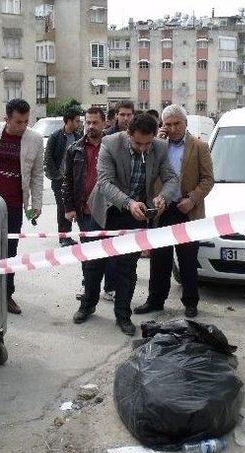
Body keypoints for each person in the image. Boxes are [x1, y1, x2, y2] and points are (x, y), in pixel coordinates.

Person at [71, 113, 179, 335]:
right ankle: (87, 305)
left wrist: (163, 198)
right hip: (104, 212)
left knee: (127, 268)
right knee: (94, 264)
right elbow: (105, 182)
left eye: (147, 143)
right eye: (138, 143)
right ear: (129, 134)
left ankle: (123, 315)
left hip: (135, 215)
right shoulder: (110, 143)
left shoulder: (159, 147)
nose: (143, 148)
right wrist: (128, 202)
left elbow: (171, 179)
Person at [134, 105, 214, 318]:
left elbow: (208, 179)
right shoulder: (157, 146)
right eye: (167, 124)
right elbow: (146, 173)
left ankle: (190, 302)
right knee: (159, 259)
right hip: (162, 210)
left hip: (187, 210)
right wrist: (156, 144)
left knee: (187, 260)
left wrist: (192, 199)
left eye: (176, 123)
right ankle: (155, 300)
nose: (172, 128)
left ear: (185, 123)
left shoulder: (199, 147)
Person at [0, 99, 43, 315]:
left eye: (26, 121)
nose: (23, 126)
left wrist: (36, 203)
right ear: (7, 119)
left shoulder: (35, 139)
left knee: (9, 250)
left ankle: (7, 294)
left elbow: (37, 174)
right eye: (18, 122)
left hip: (12, 203)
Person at [63, 107, 117, 303]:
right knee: (88, 252)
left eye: (95, 122)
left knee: (110, 251)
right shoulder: (75, 149)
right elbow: (67, 180)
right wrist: (68, 207)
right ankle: (89, 288)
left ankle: (111, 288)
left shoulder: (112, 146)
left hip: (110, 209)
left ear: (104, 123)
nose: (91, 126)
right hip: (84, 210)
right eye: (88, 122)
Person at [44, 107, 82, 247]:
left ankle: (69, 235)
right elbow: (48, 158)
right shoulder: (55, 136)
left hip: (74, 180)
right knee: (62, 207)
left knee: (73, 207)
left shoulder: (78, 137)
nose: (79, 123)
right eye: (77, 121)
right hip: (59, 180)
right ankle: (63, 236)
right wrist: (56, 176)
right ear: (69, 121)